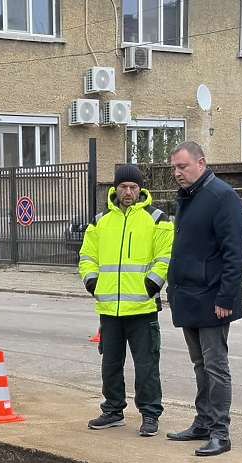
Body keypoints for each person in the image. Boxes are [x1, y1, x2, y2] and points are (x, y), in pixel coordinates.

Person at [79, 164, 174, 436]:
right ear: (115, 189)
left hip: (142, 308)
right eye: (123, 186)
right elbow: (88, 257)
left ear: (141, 189)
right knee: (110, 363)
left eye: (133, 187)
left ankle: (150, 414)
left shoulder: (157, 219)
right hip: (109, 308)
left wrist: (150, 285)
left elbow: (164, 257)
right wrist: (92, 282)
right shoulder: (100, 222)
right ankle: (113, 410)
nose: (128, 191)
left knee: (146, 366)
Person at [166, 141, 242, 456]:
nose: (177, 173)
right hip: (189, 297)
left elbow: (235, 253)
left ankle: (220, 433)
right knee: (199, 364)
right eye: (174, 167)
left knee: (215, 366)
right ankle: (202, 422)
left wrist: (225, 298)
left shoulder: (222, 197)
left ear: (201, 163)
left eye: (182, 166)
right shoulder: (188, 197)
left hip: (214, 300)